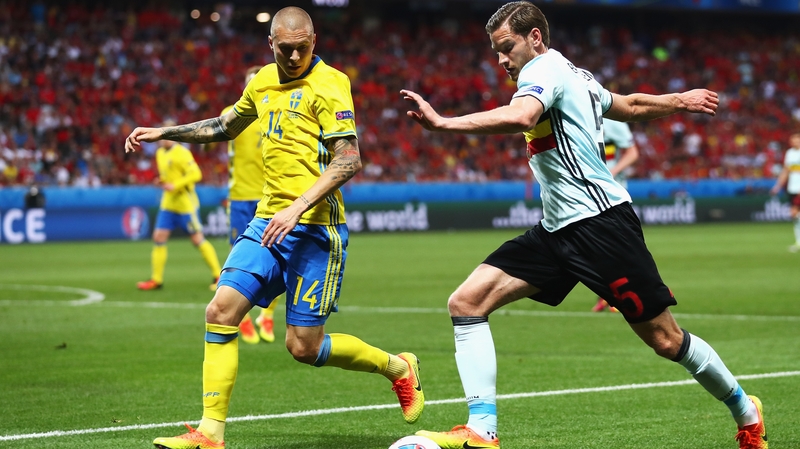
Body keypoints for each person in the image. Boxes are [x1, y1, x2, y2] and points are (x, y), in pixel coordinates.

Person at [401, 2, 766, 449]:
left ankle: (747, 414)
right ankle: (482, 430)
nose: (500, 60)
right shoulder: (576, 75)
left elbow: (521, 117)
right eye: (495, 51)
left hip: (600, 227)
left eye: (506, 47)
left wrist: (443, 123)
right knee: (467, 302)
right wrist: (679, 100)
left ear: (535, 37)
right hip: (557, 230)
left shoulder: (544, 70)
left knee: (667, 340)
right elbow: (628, 105)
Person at [125, 7, 424, 449]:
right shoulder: (262, 81)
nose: (295, 56)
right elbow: (225, 126)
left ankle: (398, 367)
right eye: (285, 49)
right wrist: (165, 132)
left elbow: (349, 158)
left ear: (314, 41)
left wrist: (298, 207)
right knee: (219, 311)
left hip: (316, 229)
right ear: (271, 44)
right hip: (267, 222)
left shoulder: (331, 83)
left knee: (303, 347)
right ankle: (210, 433)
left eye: (302, 47)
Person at [220, 66, 279, 344]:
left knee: (278, 257)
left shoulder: (277, 114)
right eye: (250, 82)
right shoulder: (232, 114)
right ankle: (241, 316)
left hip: (271, 197)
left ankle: (267, 316)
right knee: (238, 259)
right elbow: (214, 135)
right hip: (241, 197)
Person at [136, 125, 222, 291]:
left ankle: (218, 275)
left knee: (197, 239)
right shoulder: (160, 153)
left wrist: (175, 185)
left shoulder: (182, 153)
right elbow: (168, 175)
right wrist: (161, 181)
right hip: (168, 204)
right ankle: (156, 279)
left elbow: (196, 174)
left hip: (185, 204)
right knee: (158, 237)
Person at [591, 119, 639, 312]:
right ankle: (609, 295)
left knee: (616, 244)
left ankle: (623, 294)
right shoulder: (582, 117)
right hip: (591, 191)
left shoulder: (612, 121)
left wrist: (612, 172)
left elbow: (632, 152)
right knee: (599, 246)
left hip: (613, 193)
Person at [769, 133, 800, 253]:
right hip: (793, 188)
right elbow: (786, 171)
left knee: (795, 214)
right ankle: (798, 242)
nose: (795, 142)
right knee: (794, 215)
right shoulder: (790, 153)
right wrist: (777, 186)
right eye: (793, 140)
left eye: (797, 140)